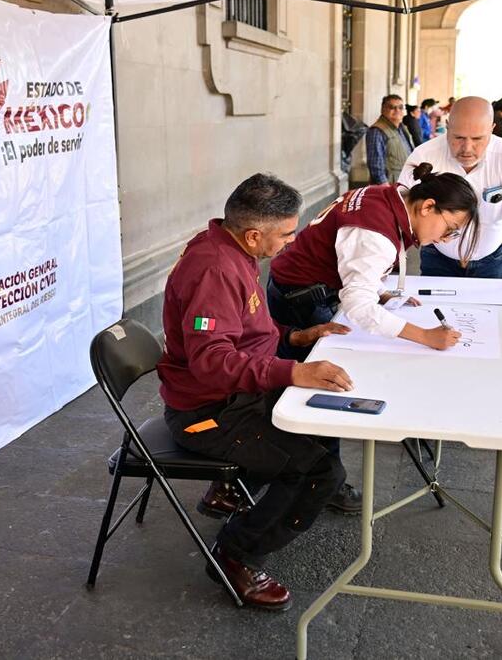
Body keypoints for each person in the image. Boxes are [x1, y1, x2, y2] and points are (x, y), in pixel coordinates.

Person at [158, 173, 354, 610]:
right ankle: (234, 555)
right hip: (207, 412)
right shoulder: (215, 268)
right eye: (286, 234)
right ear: (253, 234)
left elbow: (247, 334)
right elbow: (212, 362)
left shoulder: (231, 249)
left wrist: (299, 337)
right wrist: (293, 372)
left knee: (321, 428)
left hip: (234, 394)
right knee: (320, 473)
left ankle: (230, 487)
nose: (291, 241)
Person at [266, 165, 476, 357]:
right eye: (450, 228)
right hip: (299, 298)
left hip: (301, 283)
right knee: (305, 369)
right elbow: (358, 305)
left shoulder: (386, 196)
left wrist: (378, 291)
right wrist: (425, 336)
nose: (445, 238)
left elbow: (356, 256)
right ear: (428, 207)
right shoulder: (375, 234)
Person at [397, 97, 502, 297]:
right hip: (438, 256)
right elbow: (399, 212)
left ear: (492, 129)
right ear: (447, 126)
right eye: (458, 138)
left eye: (477, 139)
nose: (467, 148)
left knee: (489, 320)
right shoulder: (424, 155)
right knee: (433, 316)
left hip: (493, 258)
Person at [364, 94, 415, 185]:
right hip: (389, 187)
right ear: (383, 109)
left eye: (400, 107)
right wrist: (386, 189)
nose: (397, 110)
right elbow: (375, 166)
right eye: (392, 107)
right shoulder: (377, 131)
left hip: (402, 182)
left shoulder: (401, 128)